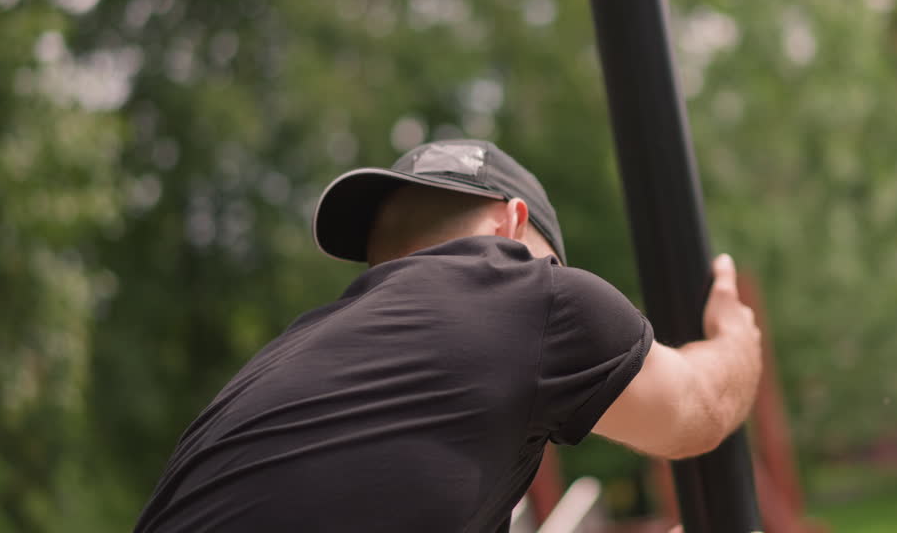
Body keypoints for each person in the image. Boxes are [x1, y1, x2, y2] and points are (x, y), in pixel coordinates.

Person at [134, 139, 761, 532]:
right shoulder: (532, 296)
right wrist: (736, 339)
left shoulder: (282, 357)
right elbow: (698, 409)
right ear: (513, 225)